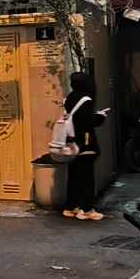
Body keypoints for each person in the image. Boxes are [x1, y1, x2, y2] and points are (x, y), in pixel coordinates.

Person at [60, 71, 108, 221]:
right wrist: (101, 116)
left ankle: (70, 206)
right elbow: (89, 121)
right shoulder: (86, 100)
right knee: (87, 176)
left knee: (74, 175)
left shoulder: (69, 98)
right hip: (85, 142)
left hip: (72, 141)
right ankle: (86, 209)